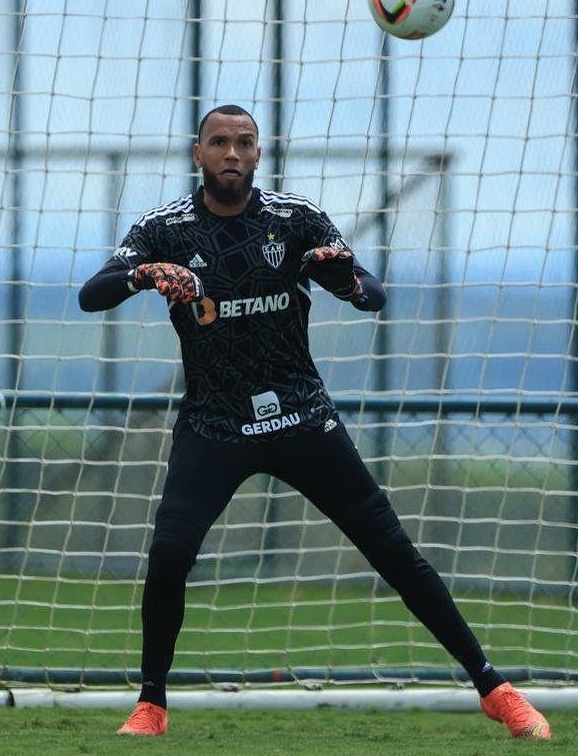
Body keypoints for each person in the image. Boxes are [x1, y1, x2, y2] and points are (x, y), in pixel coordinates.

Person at [78, 104, 551, 740]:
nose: (232, 153)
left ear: (259, 154)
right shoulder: (165, 229)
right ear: (198, 154)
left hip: (301, 416)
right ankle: (152, 704)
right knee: (168, 555)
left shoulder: (293, 218)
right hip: (214, 425)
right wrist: (141, 275)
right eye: (219, 142)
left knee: (393, 551)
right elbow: (93, 293)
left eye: (244, 142)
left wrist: (347, 282)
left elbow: (373, 293)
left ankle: (495, 689)